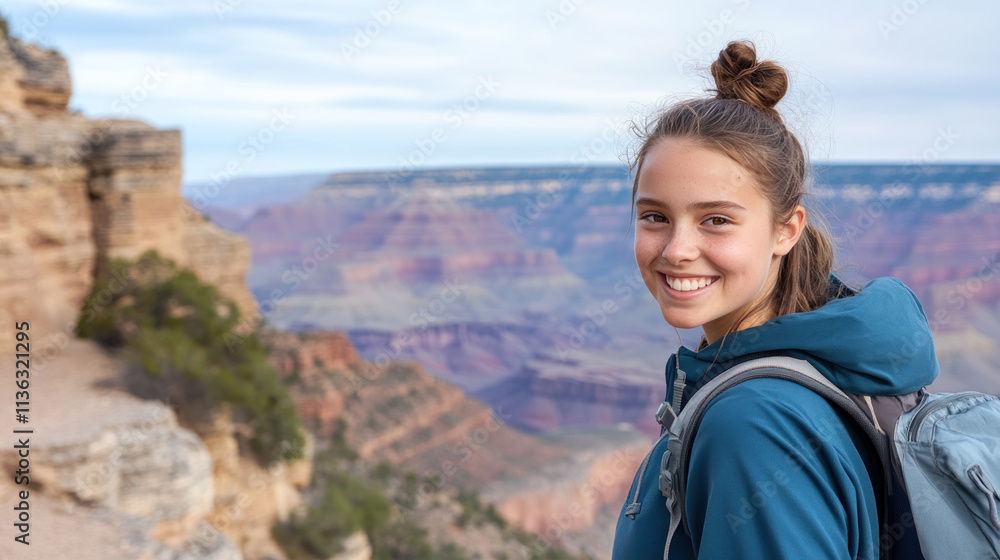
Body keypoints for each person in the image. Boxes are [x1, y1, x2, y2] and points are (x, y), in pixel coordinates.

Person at [611, 40, 938, 559]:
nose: (677, 250)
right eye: (655, 216)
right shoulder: (821, 370)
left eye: (715, 219)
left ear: (786, 230)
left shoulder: (753, 424)